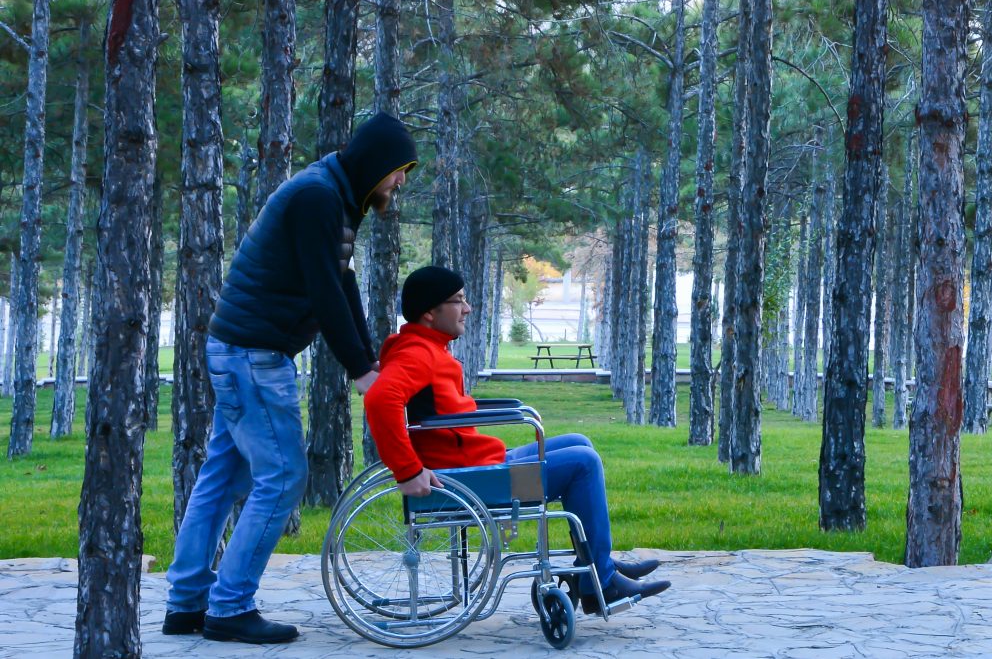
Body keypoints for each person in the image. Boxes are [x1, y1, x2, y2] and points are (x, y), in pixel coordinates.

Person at [163, 111, 418, 644]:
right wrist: (359, 372)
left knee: (223, 476)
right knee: (282, 477)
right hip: (253, 355)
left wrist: (368, 359)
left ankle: (187, 602)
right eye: (399, 169)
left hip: (239, 350)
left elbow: (342, 283)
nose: (401, 181)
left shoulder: (337, 197)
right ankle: (229, 606)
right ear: (375, 163)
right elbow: (324, 292)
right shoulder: (318, 198)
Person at [364, 266, 671, 615]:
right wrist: (407, 470)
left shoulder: (427, 348)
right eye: (459, 301)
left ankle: (597, 566)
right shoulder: (418, 353)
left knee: (579, 442)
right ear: (430, 313)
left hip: (473, 465)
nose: (467, 308)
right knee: (584, 464)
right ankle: (600, 581)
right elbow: (379, 399)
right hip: (466, 481)